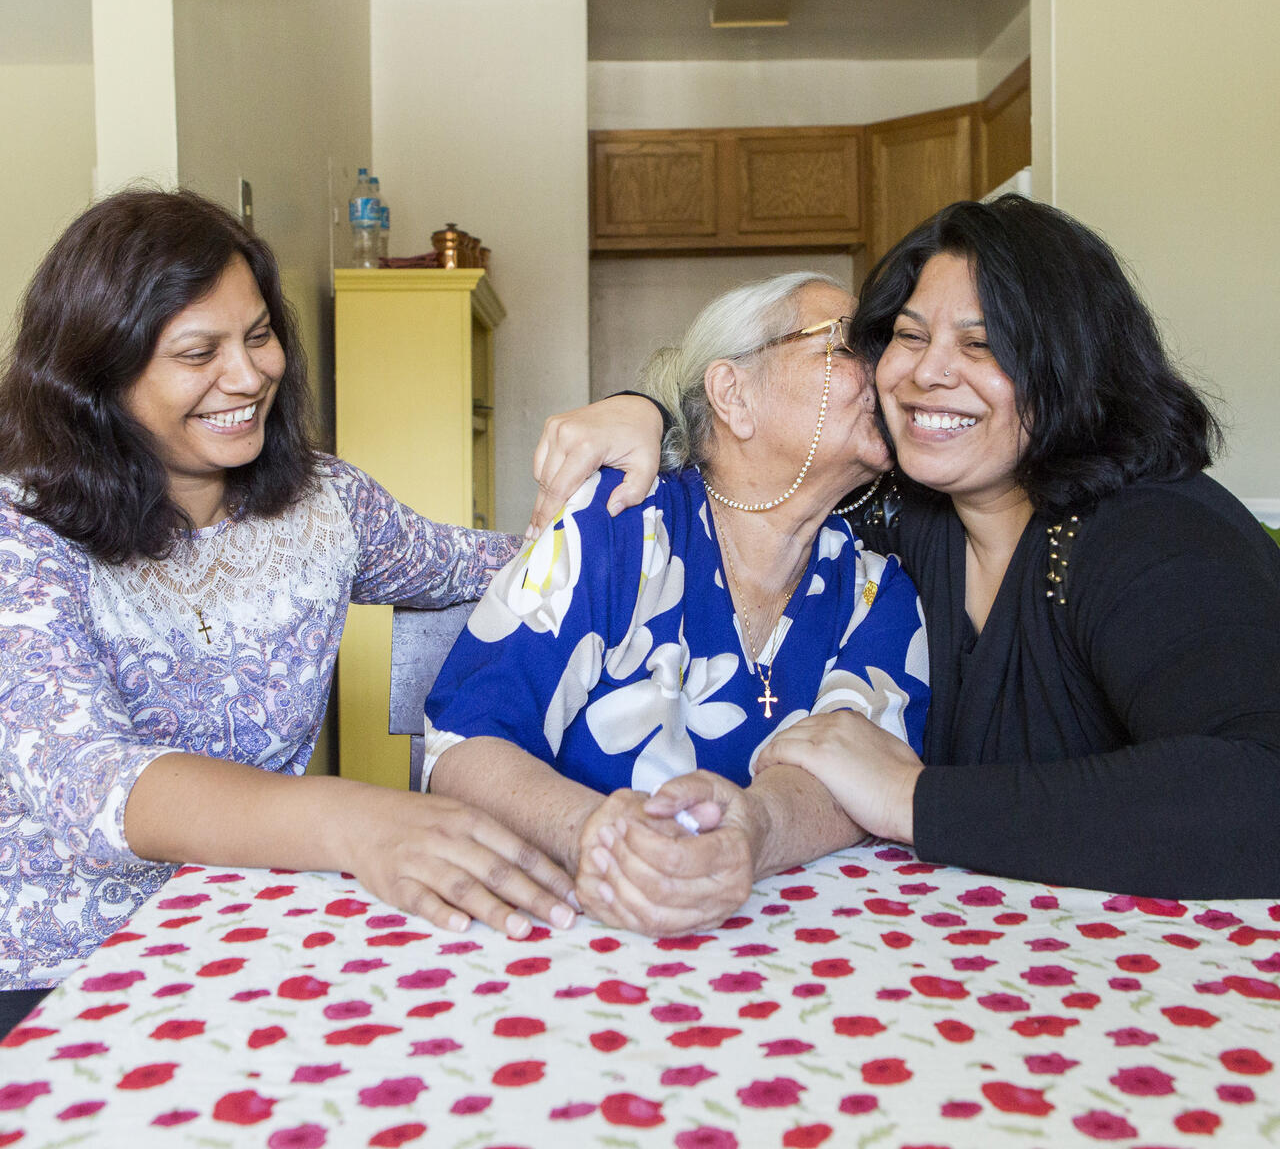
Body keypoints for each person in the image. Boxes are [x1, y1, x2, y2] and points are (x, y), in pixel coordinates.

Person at [528, 197, 1280, 900]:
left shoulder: (1150, 529)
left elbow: (1258, 789)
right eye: (910, 336)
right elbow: (760, 482)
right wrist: (652, 414)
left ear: (1072, 370)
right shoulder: (909, 519)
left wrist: (910, 799)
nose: (926, 372)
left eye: (982, 345)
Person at [0, 189, 575, 1039]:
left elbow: (490, 564)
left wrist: (632, 439)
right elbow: (91, 784)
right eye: (199, 351)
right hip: (61, 976)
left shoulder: (325, 504)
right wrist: (358, 817)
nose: (249, 376)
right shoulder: (23, 532)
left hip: (256, 936)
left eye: (260, 335)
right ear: (98, 377)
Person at [424, 273, 929, 935]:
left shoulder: (876, 591)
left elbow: (870, 779)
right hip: (569, 932)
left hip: (787, 957)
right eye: (844, 345)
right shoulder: (618, 528)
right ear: (733, 395)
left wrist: (754, 829)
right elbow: (464, 744)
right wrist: (594, 836)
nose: (885, 370)